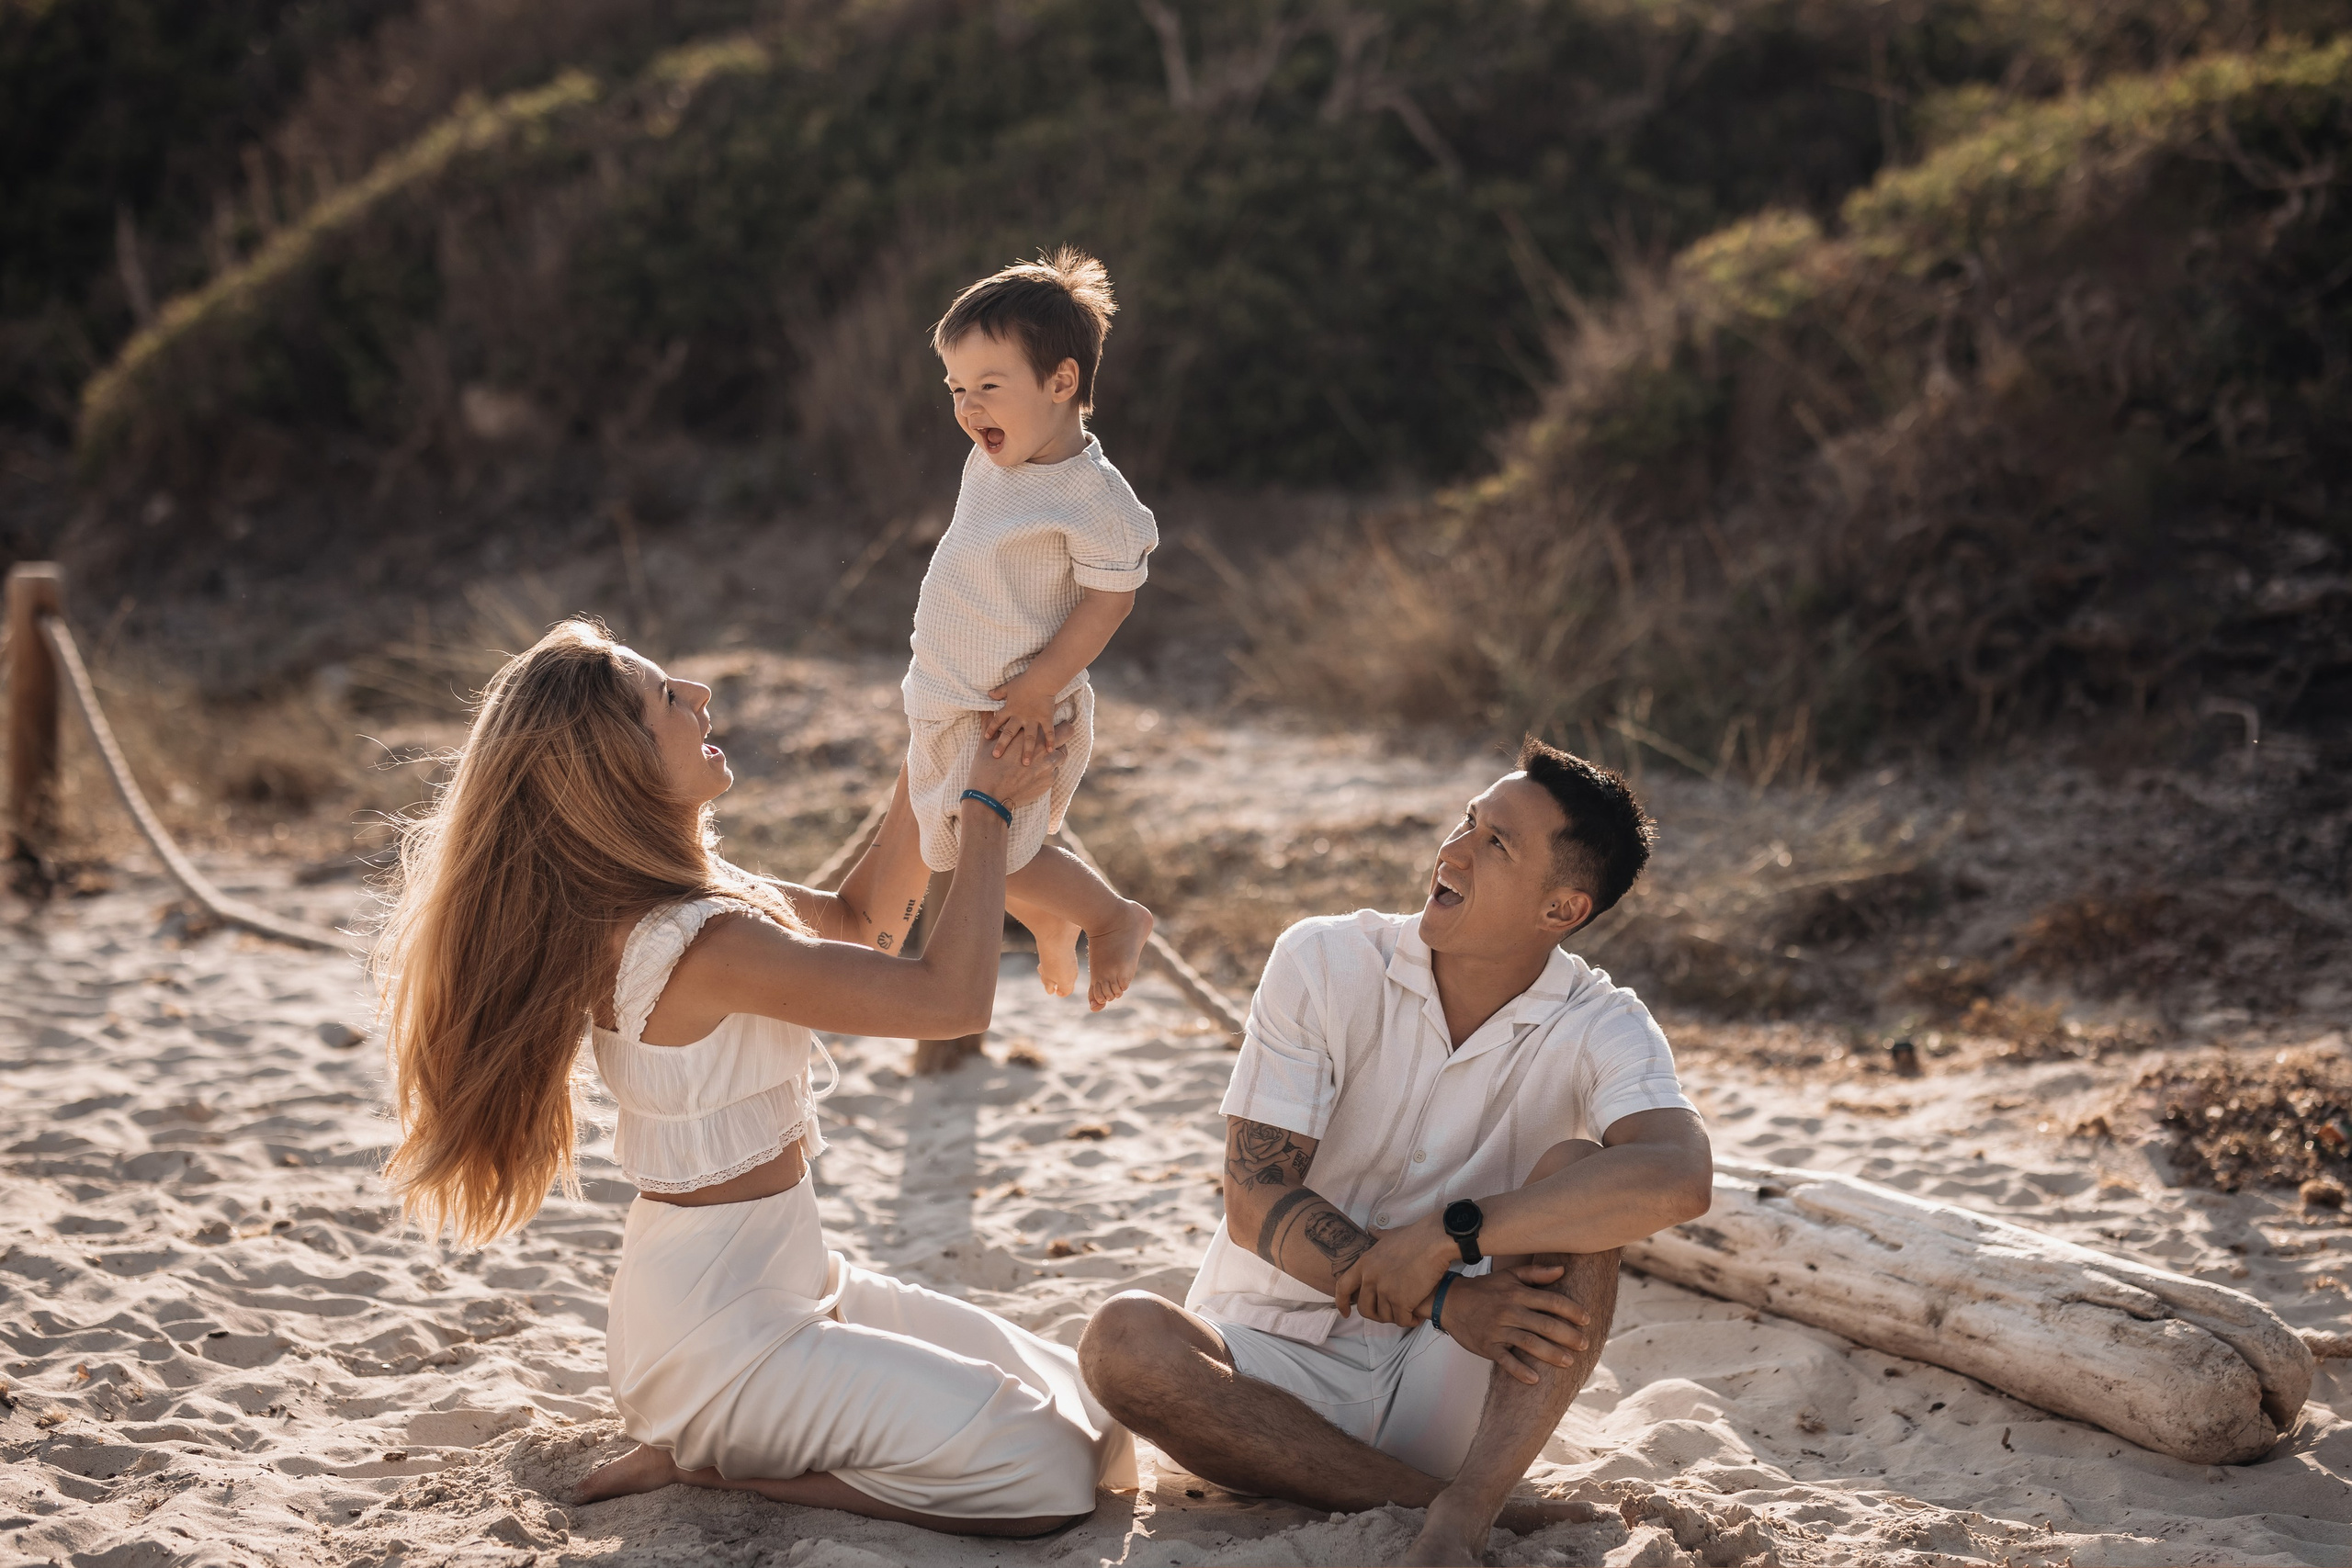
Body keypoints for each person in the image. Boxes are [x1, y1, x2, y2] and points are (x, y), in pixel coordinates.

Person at [375, 619, 1134, 1536]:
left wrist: (935, 744)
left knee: (1098, 1421)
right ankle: (716, 1467)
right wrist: (984, 808)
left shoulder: (681, 900)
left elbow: (859, 924)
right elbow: (951, 1000)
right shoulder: (694, 944)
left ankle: (727, 1445)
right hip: (721, 1343)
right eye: (665, 698)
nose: (698, 695)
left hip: (790, 1283)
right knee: (1043, 1471)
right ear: (618, 764)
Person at [1077, 739, 1714, 1566]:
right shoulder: (1324, 959)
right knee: (1122, 1340)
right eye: (1468, 821)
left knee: (1581, 1172)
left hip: (1453, 1385)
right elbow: (1254, 1199)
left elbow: (1679, 1175)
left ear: (1561, 909)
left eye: (1496, 843)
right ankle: (1458, 1509)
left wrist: (1452, 1233)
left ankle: (1469, 1504)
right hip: (1259, 1376)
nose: (1453, 850)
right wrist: (1447, 1297)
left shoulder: (1602, 1021)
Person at [842, 246, 1156, 1011]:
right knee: (964, 846)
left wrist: (1039, 689)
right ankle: (1050, 922)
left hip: (1013, 705)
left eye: (988, 386)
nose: (968, 407)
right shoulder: (996, 460)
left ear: (1062, 382)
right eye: (956, 388)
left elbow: (1110, 600)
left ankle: (1111, 916)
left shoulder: (1093, 497)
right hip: (950, 695)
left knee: (984, 849)